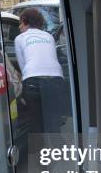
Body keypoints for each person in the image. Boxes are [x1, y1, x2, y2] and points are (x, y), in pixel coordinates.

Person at [14, 7, 65, 136]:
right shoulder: (49, 36)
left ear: (25, 21)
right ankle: (59, 154)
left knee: (36, 126)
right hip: (56, 80)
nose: (19, 27)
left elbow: (23, 66)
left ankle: (38, 154)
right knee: (54, 125)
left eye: (20, 23)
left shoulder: (19, 39)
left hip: (33, 80)